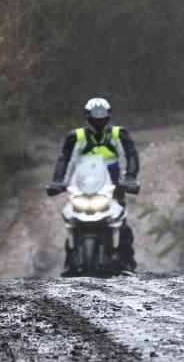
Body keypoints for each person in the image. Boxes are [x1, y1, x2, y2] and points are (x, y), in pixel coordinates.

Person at [47, 97, 140, 270]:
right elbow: (64, 160)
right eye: (95, 119)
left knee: (122, 224)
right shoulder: (76, 137)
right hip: (82, 187)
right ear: (87, 118)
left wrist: (130, 177)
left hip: (112, 186)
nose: (98, 122)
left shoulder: (118, 134)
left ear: (108, 118)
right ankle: (70, 263)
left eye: (102, 119)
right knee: (73, 220)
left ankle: (127, 264)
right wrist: (58, 181)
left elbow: (131, 155)